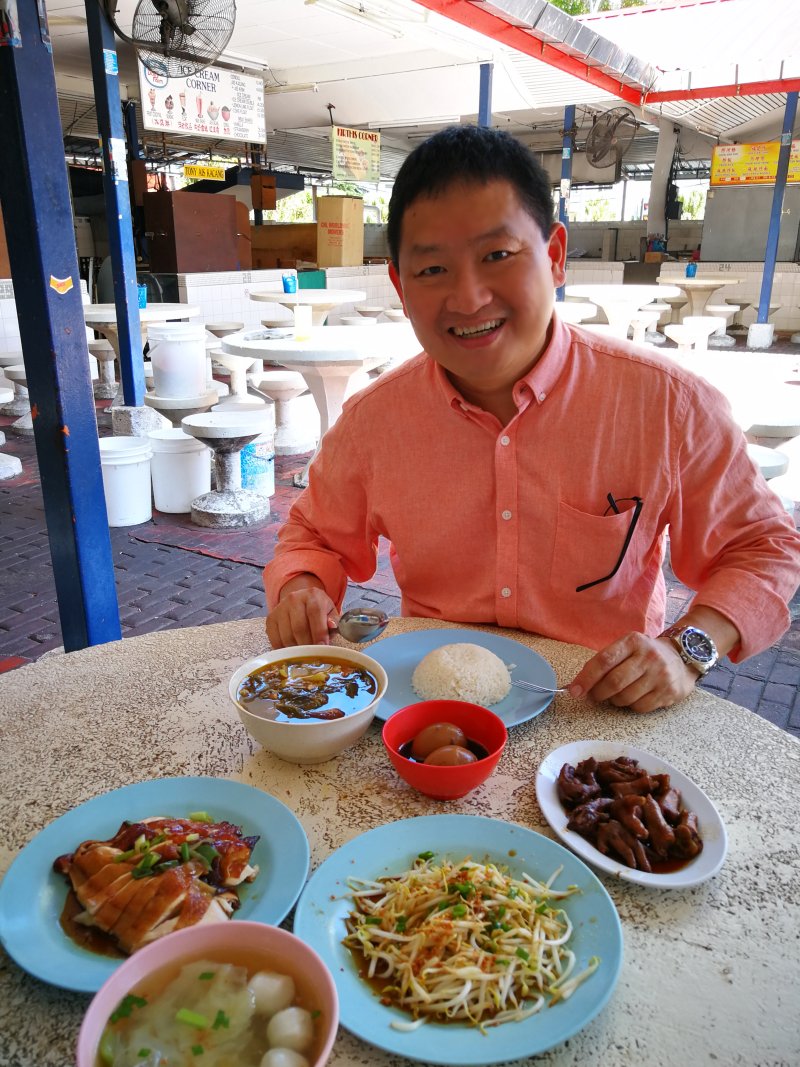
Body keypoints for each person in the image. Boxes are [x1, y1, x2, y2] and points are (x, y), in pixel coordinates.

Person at [264, 125, 800, 713]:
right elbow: (312, 536)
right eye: (432, 270)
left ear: (555, 256)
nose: (468, 299)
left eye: (497, 256)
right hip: (433, 712)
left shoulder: (668, 405)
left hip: (601, 711)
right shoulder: (374, 422)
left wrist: (687, 649)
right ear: (399, 283)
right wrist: (303, 588)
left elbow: (763, 548)